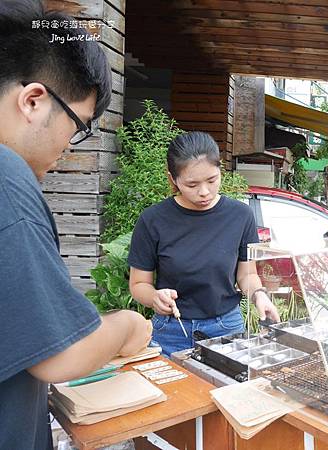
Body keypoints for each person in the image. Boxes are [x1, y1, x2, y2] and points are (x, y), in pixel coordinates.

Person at [0, 3, 153, 449]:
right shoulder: (7, 176)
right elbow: (58, 355)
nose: (70, 145)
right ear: (33, 100)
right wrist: (127, 325)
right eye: (80, 126)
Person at [128, 131, 280, 357]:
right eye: (192, 184)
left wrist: (259, 295)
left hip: (226, 328)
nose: (204, 192)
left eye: (212, 180)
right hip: (171, 330)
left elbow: (246, 275)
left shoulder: (240, 215)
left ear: (221, 171)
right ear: (173, 179)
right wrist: (154, 298)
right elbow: (139, 283)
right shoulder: (152, 220)